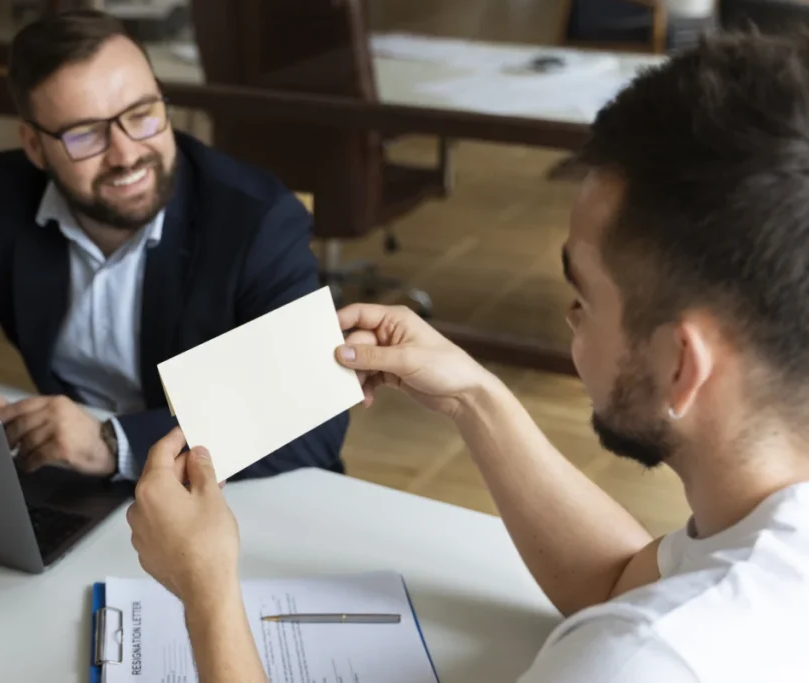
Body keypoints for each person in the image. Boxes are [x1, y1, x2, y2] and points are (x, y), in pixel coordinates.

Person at [125, 32, 809, 682]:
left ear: (682, 366)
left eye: (583, 298)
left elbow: (626, 621)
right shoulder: (764, 537)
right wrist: (472, 395)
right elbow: (617, 579)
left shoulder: (643, 659)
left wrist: (205, 588)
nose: (570, 320)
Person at [0, 10, 348, 482]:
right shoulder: (5, 194)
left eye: (142, 116)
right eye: (85, 134)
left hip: (234, 491)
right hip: (75, 484)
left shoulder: (255, 219)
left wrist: (113, 444)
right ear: (35, 147)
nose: (126, 154)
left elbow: (315, 420)